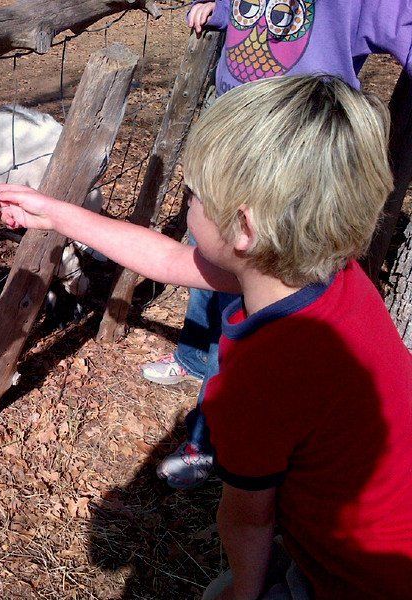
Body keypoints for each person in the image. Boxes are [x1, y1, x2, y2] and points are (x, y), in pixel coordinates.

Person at [0, 76, 412, 599]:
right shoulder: (325, 274)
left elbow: (249, 520)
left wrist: (242, 595)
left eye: (196, 194)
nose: (188, 203)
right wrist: (55, 213)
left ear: (244, 229)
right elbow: (166, 258)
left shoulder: (263, 372)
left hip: (361, 580)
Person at [141, 0, 412, 490]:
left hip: (290, 159)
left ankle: (210, 441)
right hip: (238, 137)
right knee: (210, 272)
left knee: (244, 315)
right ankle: (193, 357)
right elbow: (248, 11)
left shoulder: (272, 360)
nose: (188, 199)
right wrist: (218, 10)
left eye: (191, 193)